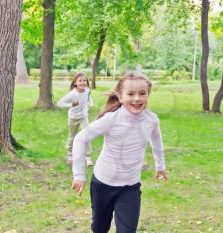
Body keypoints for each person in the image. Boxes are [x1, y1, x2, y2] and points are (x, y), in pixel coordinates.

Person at [71, 72, 168, 233]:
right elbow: (81, 138)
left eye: (142, 94)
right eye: (131, 94)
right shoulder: (111, 119)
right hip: (102, 184)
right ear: (121, 97)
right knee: (100, 228)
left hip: (130, 187)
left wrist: (160, 166)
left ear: (148, 95)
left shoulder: (152, 120)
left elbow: (157, 141)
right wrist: (79, 175)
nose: (137, 98)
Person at [57, 72, 94, 166]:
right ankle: (70, 155)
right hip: (73, 118)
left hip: (83, 117)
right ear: (75, 83)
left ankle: (88, 157)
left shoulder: (87, 90)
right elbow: (59, 103)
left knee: (87, 135)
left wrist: (90, 105)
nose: (83, 82)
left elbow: (89, 98)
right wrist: (71, 105)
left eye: (84, 80)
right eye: (80, 81)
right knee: (72, 136)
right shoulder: (72, 94)